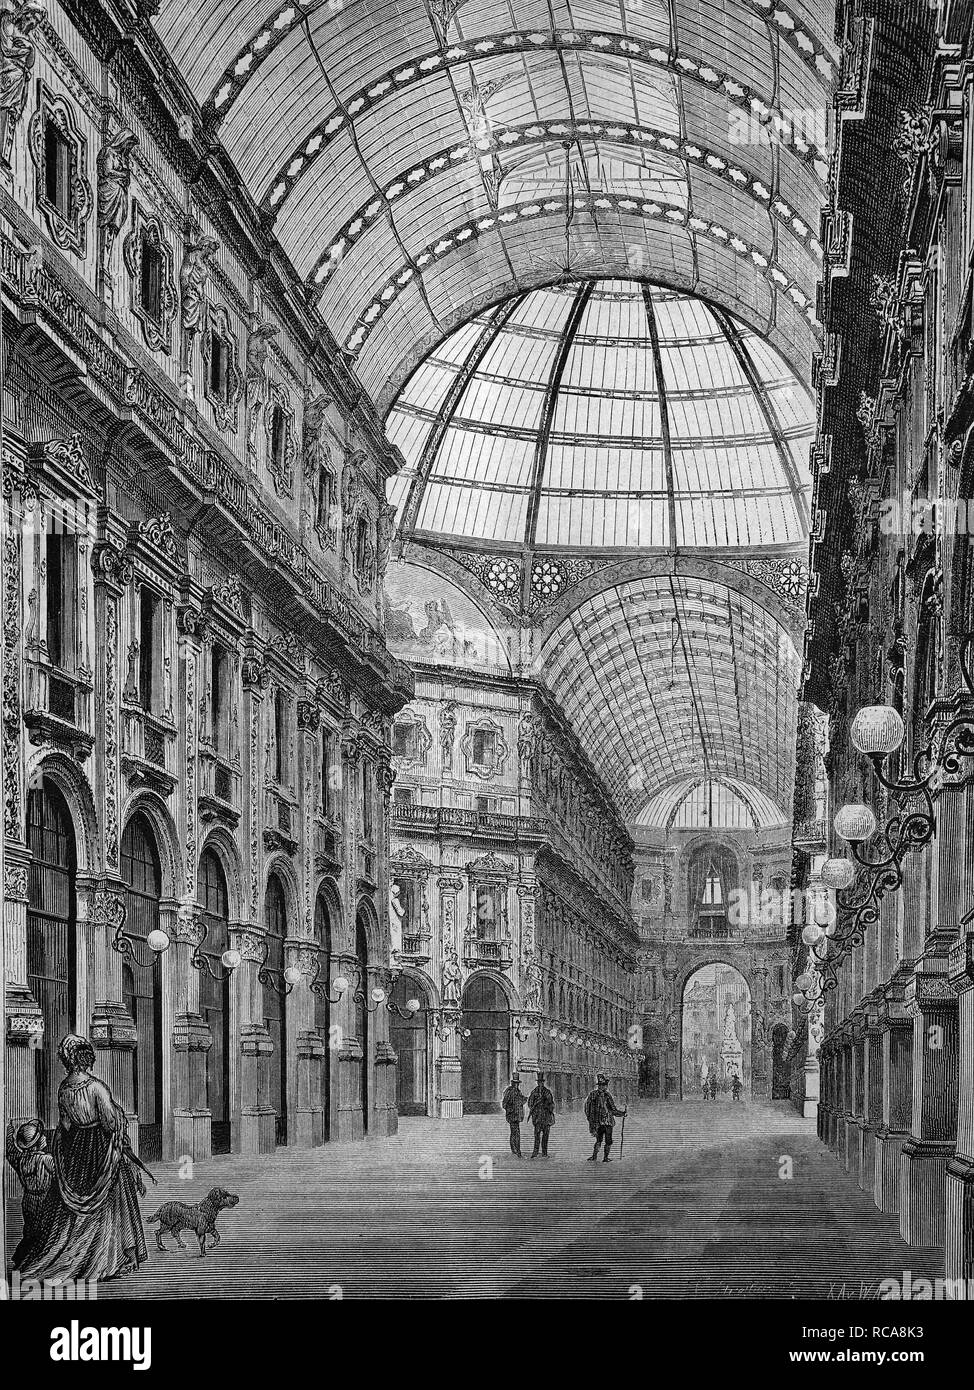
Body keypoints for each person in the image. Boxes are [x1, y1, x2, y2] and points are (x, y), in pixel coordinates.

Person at [13, 1034, 148, 1284]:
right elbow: (110, 1122)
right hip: (99, 1147)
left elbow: (64, 1124)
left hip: (75, 1147)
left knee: (70, 1212)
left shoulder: (64, 1088)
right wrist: (120, 1127)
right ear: (84, 1057)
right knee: (112, 1198)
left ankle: (71, 1256)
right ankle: (108, 1258)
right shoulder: (96, 1087)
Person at [5, 1117, 55, 1265]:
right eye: (41, 1136)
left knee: (30, 1231)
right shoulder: (46, 1159)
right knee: (44, 1233)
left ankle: (22, 1259)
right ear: (36, 1143)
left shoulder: (21, 1159)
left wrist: (9, 1131)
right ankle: (35, 1263)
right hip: (44, 1199)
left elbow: (10, 1150)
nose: (45, 1137)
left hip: (28, 1200)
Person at [584, 1073, 627, 1162]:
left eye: (604, 1085)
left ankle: (605, 1157)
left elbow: (613, 1109)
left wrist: (622, 1114)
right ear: (599, 1086)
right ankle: (595, 1157)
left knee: (608, 1141)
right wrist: (590, 1119)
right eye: (601, 1085)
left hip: (606, 1122)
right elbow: (587, 1108)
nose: (603, 1087)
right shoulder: (593, 1095)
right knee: (599, 1140)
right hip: (599, 1122)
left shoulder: (607, 1095)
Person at [527, 1071, 556, 1158]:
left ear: (543, 1082)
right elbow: (530, 1103)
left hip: (546, 1118)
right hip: (537, 1118)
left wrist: (547, 1105)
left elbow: (552, 1104)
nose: (540, 1084)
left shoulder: (547, 1092)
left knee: (545, 1136)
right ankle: (535, 1152)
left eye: (541, 1082)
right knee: (537, 1136)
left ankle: (544, 1153)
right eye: (539, 1082)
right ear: (537, 1082)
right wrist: (534, 1109)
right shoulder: (534, 1092)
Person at [501, 1073, 526, 1158]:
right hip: (513, 1116)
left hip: (517, 1116)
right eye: (516, 1083)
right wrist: (511, 1110)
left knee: (514, 1133)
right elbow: (504, 1104)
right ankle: (517, 1151)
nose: (517, 1085)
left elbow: (520, 1101)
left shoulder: (518, 1091)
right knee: (516, 1133)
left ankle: (514, 1150)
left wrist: (524, 1099)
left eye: (518, 1083)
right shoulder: (510, 1092)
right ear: (513, 1083)